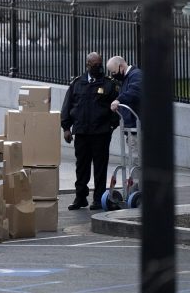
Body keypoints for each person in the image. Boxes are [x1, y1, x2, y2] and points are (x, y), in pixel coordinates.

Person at [61, 52, 119, 211]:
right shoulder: (77, 84)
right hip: (81, 132)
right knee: (81, 167)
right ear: (88, 65)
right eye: (95, 65)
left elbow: (116, 106)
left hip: (100, 133)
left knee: (100, 167)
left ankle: (98, 199)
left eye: (100, 64)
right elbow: (67, 106)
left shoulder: (109, 84)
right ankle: (80, 197)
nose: (99, 68)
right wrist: (66, 128)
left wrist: (111, 126)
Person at [107, 55, 142, 165]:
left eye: (113, 72)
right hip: (132, 127)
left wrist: (119, 100)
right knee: (134, 159)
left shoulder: (136, 75)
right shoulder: (128, 78)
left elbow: (135, 92)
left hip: (138, 127)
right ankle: (137, 181)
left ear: (121, 66)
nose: (113, 75)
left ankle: (138, 182)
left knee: (137, 161)